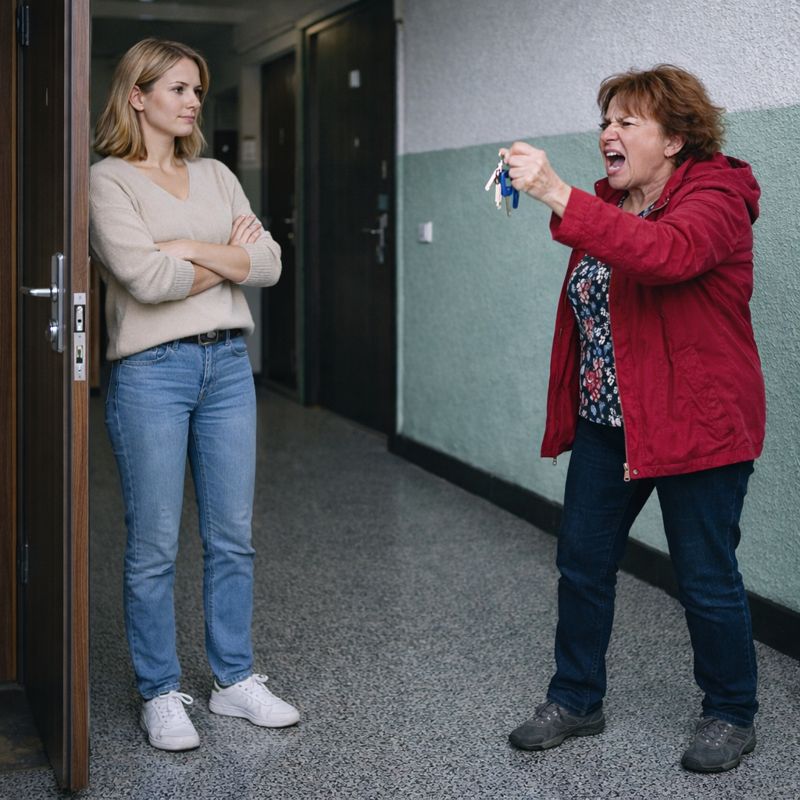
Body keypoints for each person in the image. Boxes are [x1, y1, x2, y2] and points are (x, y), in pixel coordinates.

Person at [501, 65, 765, 773]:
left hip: (696, 424)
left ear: (675, 139)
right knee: (582, 562)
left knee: (705, 575)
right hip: (607, 423)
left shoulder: (717, 199)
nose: (607, 134)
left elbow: (666, 256)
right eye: (605, 121)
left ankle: (731, 712)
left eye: (626, 122)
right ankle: (575, 698)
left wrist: (556, 192)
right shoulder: (612, 205)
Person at [90, 38, 299, 751]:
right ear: (138, 95)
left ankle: (233, 680)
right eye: (178, 88)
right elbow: (147, 282)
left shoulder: (216, 174)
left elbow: (269, 263)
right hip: (151, 372)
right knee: (153, 544)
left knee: (233, 537)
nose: (192, 102)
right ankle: (159, 691)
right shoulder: (108, 181)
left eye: (197, 91)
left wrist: (188, 250)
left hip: (229, 368)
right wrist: (228, 259)